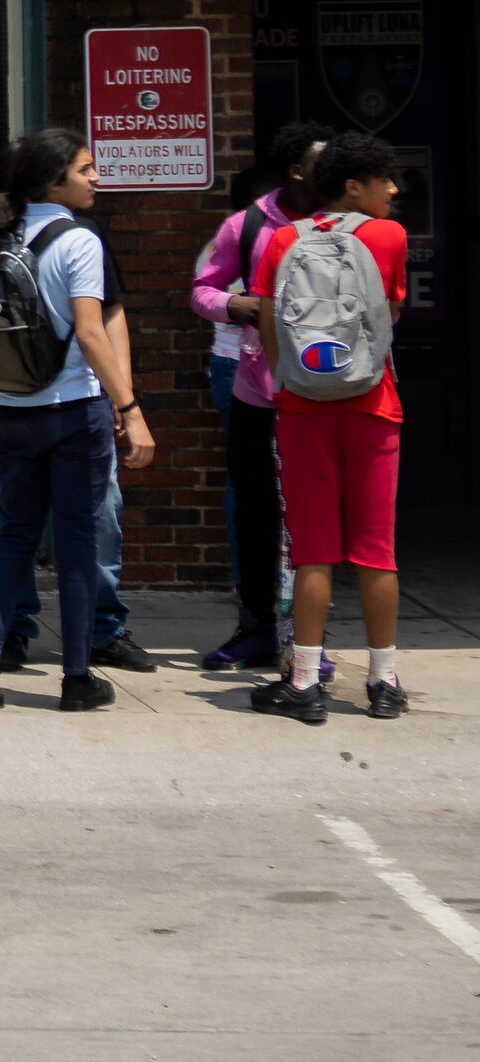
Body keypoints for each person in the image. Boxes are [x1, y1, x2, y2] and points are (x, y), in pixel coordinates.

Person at [0, 129, 155, 717]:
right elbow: (92, 332)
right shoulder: (79, 241)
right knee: (75, 543)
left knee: (14, 537)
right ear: (53, 181)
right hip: (74, 412)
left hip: (11, 409)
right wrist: (130, 409)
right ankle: (75, 677)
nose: (96, 178)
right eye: (85, 169)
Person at [250, 131, 412, 725]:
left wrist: (289, 381)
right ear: (353, 185)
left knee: (312, 550)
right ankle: (384, 680)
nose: (393, 190)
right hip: (374, 406)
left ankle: (304, 683)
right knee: (376, 549)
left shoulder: (281, 239)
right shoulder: (389, 237)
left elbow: (269, 323)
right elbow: (388, 313)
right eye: (383, 180)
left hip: (300, 409)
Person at [189, 122, 331, 670]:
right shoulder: (247, 225)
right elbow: (202, 290)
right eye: (325, 164)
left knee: (309, 519)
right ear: (297, 172)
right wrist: (236, 307)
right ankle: (256, 630)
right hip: (258, 390)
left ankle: (307, 643)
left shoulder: (345, 223)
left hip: (323, 395)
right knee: (255, 512)